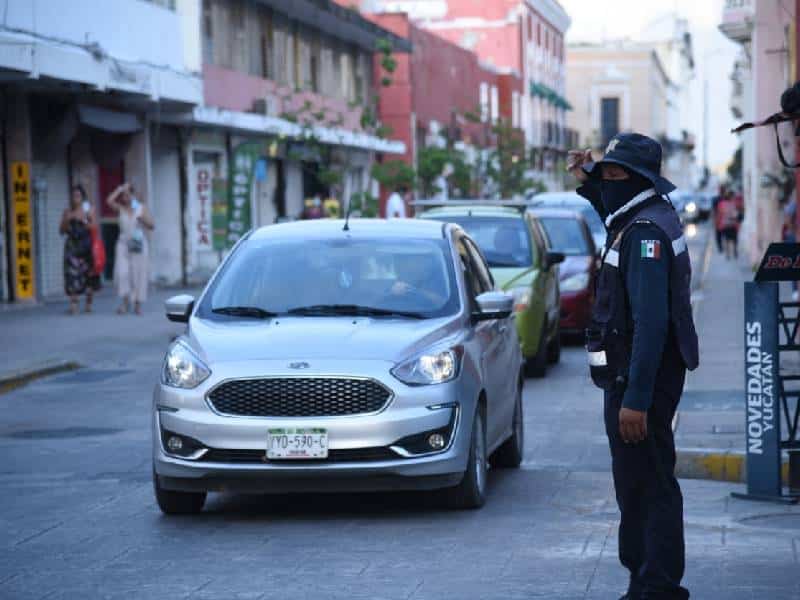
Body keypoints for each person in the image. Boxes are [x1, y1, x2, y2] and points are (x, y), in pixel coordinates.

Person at [568, 133, 699, 600]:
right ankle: (644, 578)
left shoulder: (647, 234)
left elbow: (652, 324)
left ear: (639, 178)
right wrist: (587, 183)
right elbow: (611, 215)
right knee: (635, 481)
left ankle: (657, 586)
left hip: (641, 379)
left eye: (614, 174)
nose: (607, 179)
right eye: (606, 172)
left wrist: (636, 400)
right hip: (628, 376)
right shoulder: (637, 218)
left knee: (649, 482)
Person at [106, 182, 154, 315]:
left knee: (138, 274)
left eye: (128, 194)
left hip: (138, 244)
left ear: (133, 195)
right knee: (123, 273)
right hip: (123, 244)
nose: (125, 197)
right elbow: (109, 201)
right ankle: (125, 302)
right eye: (123, 195)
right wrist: (119, 188)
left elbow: (152, 225)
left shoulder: (140, 208)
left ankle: (138, 304)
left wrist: (142, 218)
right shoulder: (120, 208)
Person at [59, 184, 100, 314]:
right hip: (71, 246)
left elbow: (94, 227)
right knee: (71, 275)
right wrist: (68, 219)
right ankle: (73, 304)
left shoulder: (89, 209)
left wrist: (83, 220)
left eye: (78, 196)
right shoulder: (67, 211)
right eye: (73, 196)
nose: (75, 198)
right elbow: (61, 230)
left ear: (82, 197)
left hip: (86, 246)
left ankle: (88, 303)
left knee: (88, 275)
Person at [717, 190, 740, 260]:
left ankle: (729, 254)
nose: (733, 197)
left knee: (728, 240)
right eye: (732, 196)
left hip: (727, 224)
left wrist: (719, 224)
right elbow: (735, 214)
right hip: (730, 224)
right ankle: (733, 252)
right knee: (733, 240)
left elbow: (720, 214)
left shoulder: (723, 204)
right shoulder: (732, 204)